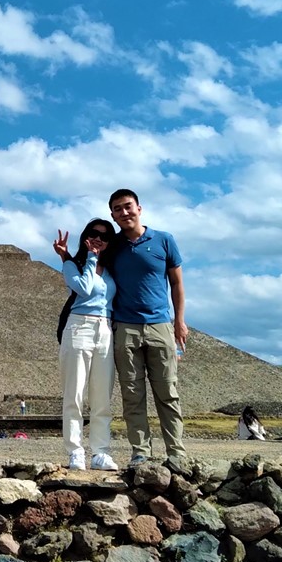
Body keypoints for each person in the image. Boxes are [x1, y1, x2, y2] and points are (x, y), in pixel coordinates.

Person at [104, 189, 187, 468]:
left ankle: (176, 451)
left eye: (128, 206)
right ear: (113, 215)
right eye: (117, 209)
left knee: (167, 392)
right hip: (125, 327)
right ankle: (141, 451)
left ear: (139, 208)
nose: (124, 212)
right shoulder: (112, 246)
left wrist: (179, 321)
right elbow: (90, 270)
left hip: (160, 325)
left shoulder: (164, 240)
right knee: (132, 394)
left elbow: (176, 283)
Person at [53, 217, 119, 471]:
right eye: (94, 234)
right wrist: (89, 257)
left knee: (102, 395)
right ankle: (75, 451)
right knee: (75, 394)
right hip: (79, 327)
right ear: (85, 237)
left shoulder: (112, 269)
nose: (99, 239)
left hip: (105, 328)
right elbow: (83, 287)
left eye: (104, 236)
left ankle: (100, 452)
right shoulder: (72, 265)